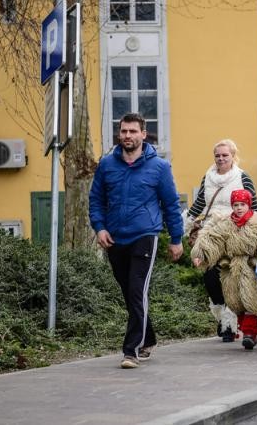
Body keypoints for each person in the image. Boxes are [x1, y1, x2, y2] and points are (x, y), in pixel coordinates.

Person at [89, 113, 184, 369]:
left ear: (143, 134)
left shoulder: (159, 167)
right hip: (114, 238)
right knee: (129, 293)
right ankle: (148, 337)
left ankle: (131, 351)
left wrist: (176, 238)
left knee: (136, 290)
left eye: (132, 131)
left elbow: (171, 205)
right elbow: (96, 200)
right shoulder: (107, 165)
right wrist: (99, 228)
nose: (127, 136)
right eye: (124, 131)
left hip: (145, 235)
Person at [190, 189, 257, 350]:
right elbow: (212, 239)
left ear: (249, 205)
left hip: (252, 267)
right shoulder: (225, 224)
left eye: (242, 204)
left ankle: (250, 334)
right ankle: (247, 329)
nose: (239, 208)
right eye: (236, 205)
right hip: (231, 268)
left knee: (251, 301)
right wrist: (201, 255)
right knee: (235, 302)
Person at [186, 139, 257, 342]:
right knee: (210, 277)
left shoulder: (242, 177)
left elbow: (254, 205)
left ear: (233, 156)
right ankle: (221, 316)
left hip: (236, 231)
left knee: (231, 277)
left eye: (225, 155)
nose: (221, 159)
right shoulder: (208, 177)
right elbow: (200, 202)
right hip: (212, 232)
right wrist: (187, 222)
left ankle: (230, 325)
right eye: (217, 155)